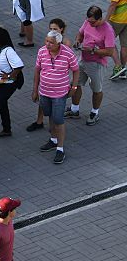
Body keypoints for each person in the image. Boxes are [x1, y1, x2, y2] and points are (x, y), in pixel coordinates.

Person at [33, 30, 79, 164]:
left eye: (51, 43)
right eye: (46, 41)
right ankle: (53, 140)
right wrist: (35, 90)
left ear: (58, 43)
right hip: (44, 92)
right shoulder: (42, 51)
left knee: (58, 119)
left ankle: (60, 148)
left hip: (59, 94)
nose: (47, 44)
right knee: (50, 115)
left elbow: (76, 70)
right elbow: (37, 70)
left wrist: (74, 87)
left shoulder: (68, 53)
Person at [71, 7, 115, 125]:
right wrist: (77, 41)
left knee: (96, 89)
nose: (90, 23)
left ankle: (94, 112)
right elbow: (80, 34)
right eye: (89, 21)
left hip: (97, 64)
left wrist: (93, 50)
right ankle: (74, 110)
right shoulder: (87, 22)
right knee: (76, 84)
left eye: (93, 22)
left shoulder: (108, 30)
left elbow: (110, 52)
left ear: (100, 18)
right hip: (83, 59)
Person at [27, 18, 69, 132]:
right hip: (46, 85)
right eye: (50, 29)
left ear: (62, 29)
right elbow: (38, 68)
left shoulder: (64, 44)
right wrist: (35, 88)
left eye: (55, 29)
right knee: (43, 101)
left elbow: (69, 65)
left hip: (58, 87)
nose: (52, 31)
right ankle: (40, 121)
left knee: (55, 110)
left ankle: (56, 131)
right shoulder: (49, 42)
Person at [104, 0, 127, 79]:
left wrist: (105, 21)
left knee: (109, 41)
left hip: (117, 19)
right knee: (125, 45)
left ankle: (118, 66)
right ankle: (123, 69)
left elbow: (113, 4)